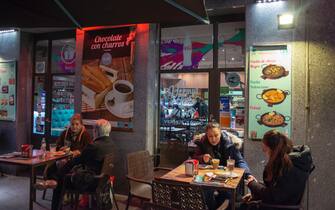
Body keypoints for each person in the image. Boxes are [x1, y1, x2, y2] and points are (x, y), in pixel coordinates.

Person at [51, 119, 116, 210]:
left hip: (91, 182)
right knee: (66, 173)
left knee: (61, 180)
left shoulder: (94, 146)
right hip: (104, 181)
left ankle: (54, 207)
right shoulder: (112, 144)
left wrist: (58, 175)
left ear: (96, 131)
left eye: (93, 130)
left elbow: (75, 161)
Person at [242, 130, 313, 210]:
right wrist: (256, 187)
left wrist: (252, 185)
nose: (264, 152)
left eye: (265, 149)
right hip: (284, 205)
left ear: (272, 149)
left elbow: (274, 196)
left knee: (239, 206)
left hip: (275, 207)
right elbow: (280, 189)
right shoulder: (295, 161)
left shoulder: (286, 166)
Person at [193, 122, 252, 209]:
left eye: (216, 135)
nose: (213, 139)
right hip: (209, 176)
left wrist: (248, 174)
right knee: (206, 190)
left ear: (220, 133)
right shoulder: (202, 142)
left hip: (226, 176)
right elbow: (194, 158)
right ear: (206, 135)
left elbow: (240, 161)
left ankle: (224, 204)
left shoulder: (230, 143)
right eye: (210, 136)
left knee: (227, 193)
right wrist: (202, 158)